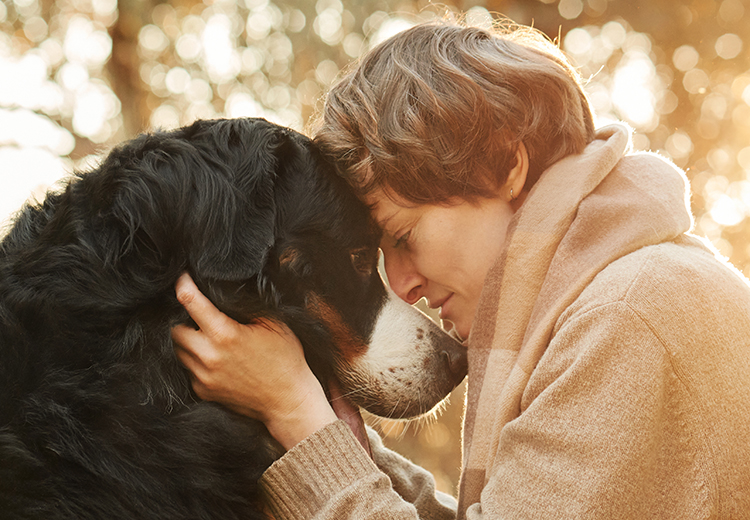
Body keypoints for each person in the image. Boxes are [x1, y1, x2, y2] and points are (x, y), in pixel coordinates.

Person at [171, 18, 750, 519]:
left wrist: (295, 413)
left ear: (507, 165)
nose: (401, 284)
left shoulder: (626, 317)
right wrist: (341, 448)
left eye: (403, 236)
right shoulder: (614, 294)